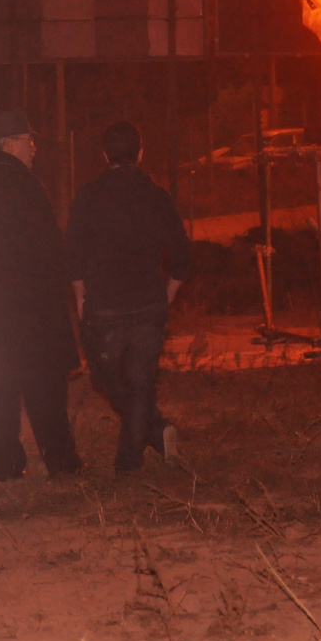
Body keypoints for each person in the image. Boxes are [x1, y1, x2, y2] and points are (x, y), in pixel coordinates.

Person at [0, 110, 83, 481]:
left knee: (1, 385)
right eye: (29, 142)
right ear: (11, 144)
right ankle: (60, 459)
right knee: (45, 385)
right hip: (35, 305)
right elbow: (50, 245)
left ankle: (7, 464)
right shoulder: (30, 185)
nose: (34, 149)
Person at [65, 121, 190, 471]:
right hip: (149, 303)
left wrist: (79, 296)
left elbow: (72, 253)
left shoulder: (88, 198)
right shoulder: (157, 196)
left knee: (109, 380)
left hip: (104, 305)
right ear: (141, 153)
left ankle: (134, 455)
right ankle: (143, 443)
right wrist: (168, 293)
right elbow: (182, 253)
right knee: (139, 383)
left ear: (105, 156)